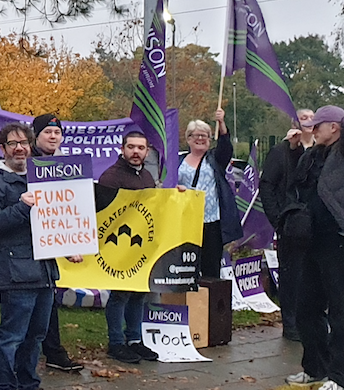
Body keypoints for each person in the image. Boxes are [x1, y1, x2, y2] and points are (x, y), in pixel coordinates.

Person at [0, 122, 73, 390]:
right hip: (16, 270)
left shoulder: (43, 177)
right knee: (12, 337)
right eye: (12, 143)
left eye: (24, 142)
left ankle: (28, 388)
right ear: (3, 148)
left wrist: (68, 242)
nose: (19, 148)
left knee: (36, 336)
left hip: (44, 270)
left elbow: (57, 218)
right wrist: (22, 206)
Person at [283, 106, 344, 390]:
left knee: (342, 311)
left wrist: (343, 120)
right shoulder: (312, 154)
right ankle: (315, 366)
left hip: (341, 240)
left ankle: (342, 378)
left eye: (319, 125)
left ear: (335, 127)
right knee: (307, 307)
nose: (313, 129)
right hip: (313, 241)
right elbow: (298, 187)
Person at [96, 131, 162, 365]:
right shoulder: (111, 177)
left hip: (141, 246)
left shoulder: (146, 177)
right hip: (117, 246)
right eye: (131, 147)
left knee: (138, 293)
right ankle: (116, 342)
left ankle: (134, 339)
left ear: (147, 151)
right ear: (122, 149)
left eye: (140, 148)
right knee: (120, 295)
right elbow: (102, 213)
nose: (136, 152)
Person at [28, 113, 84, 373]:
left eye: (57, 132)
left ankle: (53, 351)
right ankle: (27, 354)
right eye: (48, 132)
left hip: (48, 244)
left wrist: (70, 244)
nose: (53, 136)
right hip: (24, 244)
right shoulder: (27, 162)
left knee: (48, 298)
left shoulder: (64, 167)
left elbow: (66, 209)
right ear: (36, 135)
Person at [260, 109, 317, 341]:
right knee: (291, 274)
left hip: (315, 223)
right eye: (303, 118)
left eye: (312, 118)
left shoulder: (321, 151)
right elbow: (268, 186)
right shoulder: (281, 152)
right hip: (290, 224)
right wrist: (277, 219)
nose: (308, 122)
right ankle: (291, 323)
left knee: (312, 275)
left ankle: (311, 320)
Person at [178, 110, 242, 279]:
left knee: (211, 267)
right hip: (186, 221)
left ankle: (209, 302)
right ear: (188, 139)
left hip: (211, 221)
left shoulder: (214, 159)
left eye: (205, 135)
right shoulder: (178, 161)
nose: (201, 139)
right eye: (196, 135)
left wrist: (221, 123)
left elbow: (225, 146)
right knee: (187, 265)